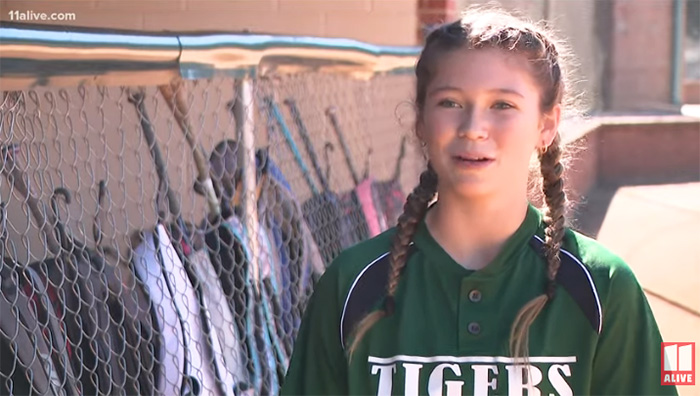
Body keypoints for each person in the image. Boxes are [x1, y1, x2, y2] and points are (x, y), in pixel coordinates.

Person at [280, 6, 678, 396]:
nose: (473, 128)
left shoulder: (602, 287)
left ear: (546, 125)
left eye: (502, 105)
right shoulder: (352, 283)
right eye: (450, 102)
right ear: (421, 120)